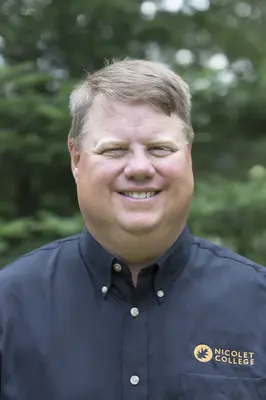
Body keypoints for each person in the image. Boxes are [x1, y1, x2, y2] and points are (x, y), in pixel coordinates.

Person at [0, 58, 266, 400]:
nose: (140, 168)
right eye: (114, 150)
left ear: (187, 157)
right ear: (76, 159)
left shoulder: (259, 304)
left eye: (159, 149)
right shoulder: (9, 307)